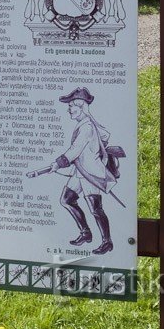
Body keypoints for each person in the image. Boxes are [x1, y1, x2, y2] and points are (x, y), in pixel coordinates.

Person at [50, 87, 115, 255]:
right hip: (81, 171)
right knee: (66, 199)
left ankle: (107, 242)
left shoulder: (86, 126)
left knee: (96, 208)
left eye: (72, 106)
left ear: (81, 107)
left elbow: (75, 149)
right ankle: (85, 232)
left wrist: (59, 163)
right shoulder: (86, 123)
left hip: (90, 173)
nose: (69, 109)